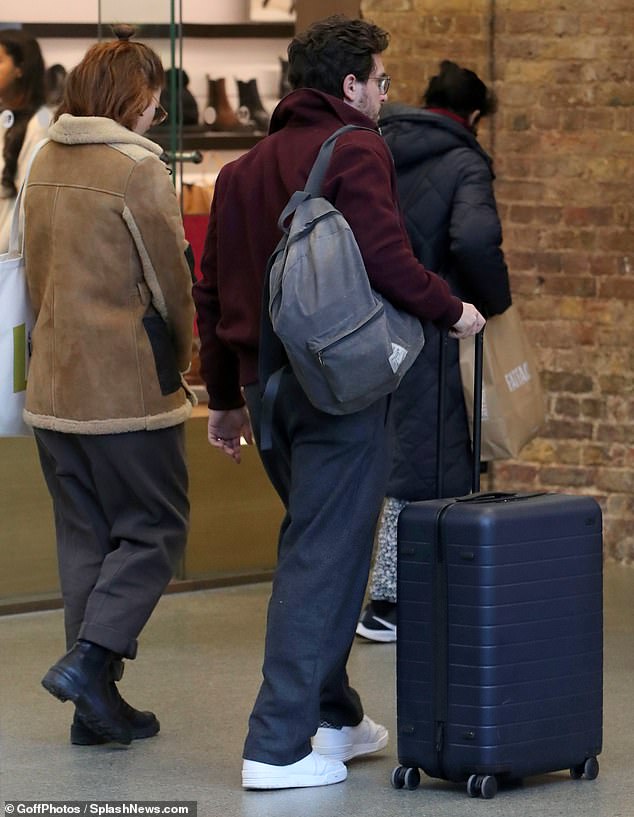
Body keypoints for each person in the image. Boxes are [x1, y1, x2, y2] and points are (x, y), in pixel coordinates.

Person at [194, 16, 485, 790]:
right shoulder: (355, 147)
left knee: (331, 540)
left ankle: (335, 713)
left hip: (267, 389)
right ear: (350, 87)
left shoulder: (242, 169)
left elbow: (212, 290)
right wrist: (450, 309)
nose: (387, 95)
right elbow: (389, 257)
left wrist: (223, 399)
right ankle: (277, 742)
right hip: (336, 388)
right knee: (323, 555)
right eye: (381, 81)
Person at [23, 26, 196, 746]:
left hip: (52, 386)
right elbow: (172, 286)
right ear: (133, 97)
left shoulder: (40, 164)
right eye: (154, 98)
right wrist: (182, 361)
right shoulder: (138, 172)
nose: (158, 111)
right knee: (157, 527)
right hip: (125, 388)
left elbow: (31, 277)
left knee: (85, 539)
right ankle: (91, 663)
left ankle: (93, 710)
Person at [356, 60, 512, 643]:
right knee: (434, 460)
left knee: (393, 456)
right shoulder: (464, 160)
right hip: (439, 326)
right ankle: (392, 602)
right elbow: (472, 240)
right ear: (472, 115)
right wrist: (494, 302)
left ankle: (399, 594)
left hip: (373, 325)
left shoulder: (378, 146)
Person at [0, 28, 51, 253]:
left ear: (20, 68)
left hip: (9, 254)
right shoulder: (5, 117)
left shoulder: (40, 122)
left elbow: (28, 204)